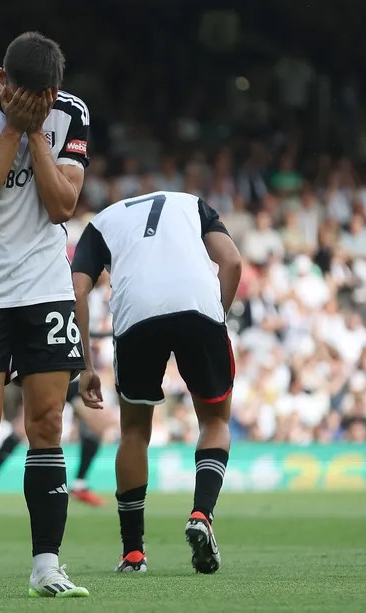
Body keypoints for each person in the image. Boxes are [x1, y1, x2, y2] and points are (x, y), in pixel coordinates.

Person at [0, 31, 90, 598]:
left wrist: (37, 132)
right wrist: (12, 127)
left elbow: (62, 206)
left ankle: (46, 566)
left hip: (43, 285)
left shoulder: (70, 113)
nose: (26, 103)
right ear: (0, 80)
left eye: (39, 99)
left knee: (46, 424)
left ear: (53, 93)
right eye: (15, 93)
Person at [71, 191, 242, 574]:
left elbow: (77, 290)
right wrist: (218, 317)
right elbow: (230, 260)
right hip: (198, 303)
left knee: (134, 433)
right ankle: (201, 514)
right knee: (215, 421)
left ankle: (133, 553)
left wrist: (85, 365)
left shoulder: (101, 221)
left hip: (136, 313)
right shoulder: (191, 202)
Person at [0, 380, 106, 506]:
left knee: (97, 426)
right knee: (22, 428)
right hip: (47, 371)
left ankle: (79, 485)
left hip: (76, 375)